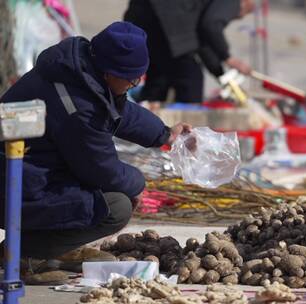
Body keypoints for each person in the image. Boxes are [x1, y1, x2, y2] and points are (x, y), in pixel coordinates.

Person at [0, 22, 192, 284]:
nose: (135, 84)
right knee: (116, 205)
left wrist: (165, 134)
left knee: (110, 191)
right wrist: (137, 184)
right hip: (16, 187)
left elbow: (120, 112)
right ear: (108, 72)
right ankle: (27, 254)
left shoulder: (80, 71)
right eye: (132, 79)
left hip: (34, 175)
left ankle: (54, 247)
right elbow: (100, 168)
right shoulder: (76, 104)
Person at [124, 0, 254, 104]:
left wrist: (220, 74)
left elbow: (201, 39)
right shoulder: (235, 2)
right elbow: (211, 24)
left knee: (158, 81)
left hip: (142, 18)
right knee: (190, 80)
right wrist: (228, 58)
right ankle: (187, 130)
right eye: (238, 15)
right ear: (246, 3)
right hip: (168, 22)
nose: (235, 17)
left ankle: (145, 127)